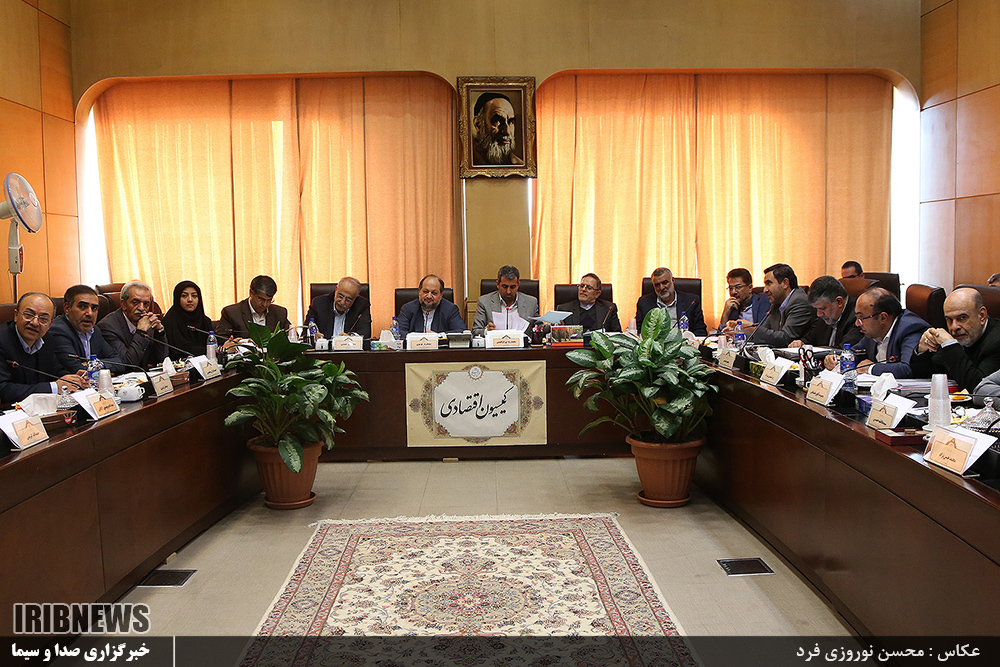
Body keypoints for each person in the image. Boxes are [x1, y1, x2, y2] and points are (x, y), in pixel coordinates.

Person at [0, 292, 88, 403]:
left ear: (50, 324)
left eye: (43, 318)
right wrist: (54, 387)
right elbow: (3, 390)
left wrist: (73, 379)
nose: (35, 323)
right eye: (28, 315)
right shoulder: (2, 341)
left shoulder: (47, 340)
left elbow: (54, 370)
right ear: (16, 315)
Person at [910, 287, 1000, 391]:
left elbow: (979, 388)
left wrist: (950, 345)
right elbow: (926, 374)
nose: (954, 327)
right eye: (949, 319)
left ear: (981, 315)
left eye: (962, 318)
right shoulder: (958, 334)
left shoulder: (997, 341)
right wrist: (922, 351)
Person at [45, 285, 124, 375]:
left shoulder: (95, 331)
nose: (90, 313)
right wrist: (104, 369)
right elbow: (77, 370)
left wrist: (93, 364)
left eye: (94, 308)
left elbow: (119, 362)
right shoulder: (58, 330)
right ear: (67, 308)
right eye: (82, 307)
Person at [733, 263, 816, 347]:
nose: (765, 290)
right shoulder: (777, 303)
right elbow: (765, 335)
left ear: (785, 283)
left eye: (769, 283)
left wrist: (752, 328)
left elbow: (786, 339)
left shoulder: (799, 301)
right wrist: (736, 335)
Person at [853, 288, 929, 378]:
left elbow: (908, 368)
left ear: (883, 318)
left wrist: (871, 368)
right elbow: (856, 352)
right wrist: (842, 359)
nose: (857, 323)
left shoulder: (910, 329)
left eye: (861, 318)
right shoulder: (874, 330)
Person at [97, 280, 169, 369]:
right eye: (135, 302)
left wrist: (159, 332)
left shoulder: (146, 322)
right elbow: (128, 363)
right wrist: (141, 332)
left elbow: (161, 359)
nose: (141, 308)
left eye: (146, 304)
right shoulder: (108, 327)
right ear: (123, 304)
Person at [792, 276, 864, 350]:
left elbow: (844, 350)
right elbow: (810, 339)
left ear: (839, 302)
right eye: (817, 309)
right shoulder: (826, 317)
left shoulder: (858, 318)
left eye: (822, 308)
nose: (819, 314)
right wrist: (800, 343)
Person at [635, 267, 707, 335]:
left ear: (673, 280)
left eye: (665, 283)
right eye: (657, 285)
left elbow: (700, 330)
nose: (661, 287)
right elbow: (638, 330)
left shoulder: (691, 301)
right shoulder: (644, 302)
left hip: (684, 342)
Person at [472, 265, 539, 337]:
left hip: (522, 344)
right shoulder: (484, 302)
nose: (508, 291)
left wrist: (547, 326)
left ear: (518, 284)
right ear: (497, 284)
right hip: (495, 343)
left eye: (512, 287)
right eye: (505, 287)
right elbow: (476, 331)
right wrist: (487, 331)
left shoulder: (531, 302)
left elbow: (539, 328)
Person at [217, 275, 290, 338]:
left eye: (269, 300)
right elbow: (221, 338)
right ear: (251, 293)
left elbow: (290, 336)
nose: (265, 304)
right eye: (261, 299)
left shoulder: (280, 313)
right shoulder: (231, 313)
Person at [396, 275, 466, 338]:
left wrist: (438, 336)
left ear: (441, 295)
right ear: (419, 291)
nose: (429, 296)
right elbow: (399, 333)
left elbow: (461, 331)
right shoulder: (407, 309)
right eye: (425, 291)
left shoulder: (450, 309)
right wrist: (420, 337)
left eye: (434, 293)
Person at [305, 277, 372, 339]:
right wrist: (313, 335)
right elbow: (306, 330)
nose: (342, 302)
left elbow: (365, 333)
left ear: (355, 297)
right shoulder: (319, 303)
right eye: (340, 296)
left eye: (348, 299)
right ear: (336, 289)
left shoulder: (362, 305)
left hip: (348, 347)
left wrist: (351, 338)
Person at [162, 280, 214, 357]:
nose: (190, 299)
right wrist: (211, 350)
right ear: (177, 298)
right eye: (184, 296)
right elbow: (180, 350)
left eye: (194, 296)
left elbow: (213, 342)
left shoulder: (205, 321)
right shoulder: (169, 322)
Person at [471, 92, 524, 166]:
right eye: (497, 121)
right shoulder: (464, 160)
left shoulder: (518, 165)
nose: (507, 132)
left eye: (510, 122)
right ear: (478, 124)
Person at [556, 273, 621, 332]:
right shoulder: (564, 309)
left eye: (589, 288)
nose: (583, 289)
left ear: (597, 294)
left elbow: (617, 335)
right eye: (582, 286)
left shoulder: (609, 309)